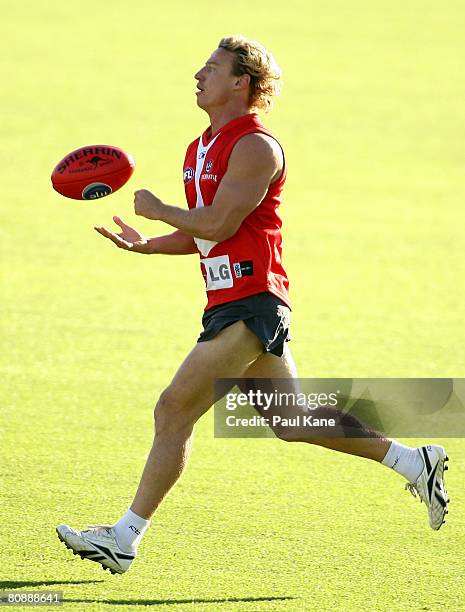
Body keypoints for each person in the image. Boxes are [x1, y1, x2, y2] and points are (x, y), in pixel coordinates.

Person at [56, 35, 449, 575]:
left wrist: (160, 210)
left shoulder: (257, 147)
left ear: (241, 82)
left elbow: (218, 222)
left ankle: (124, 538)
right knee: (291, 420)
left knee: (173, 408)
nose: (199, 74)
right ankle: (414, 461)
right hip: (227, 300)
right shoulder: (199, 148)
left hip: (253, 300)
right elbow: (207, 234)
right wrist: (149, 243)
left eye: (212, 68)